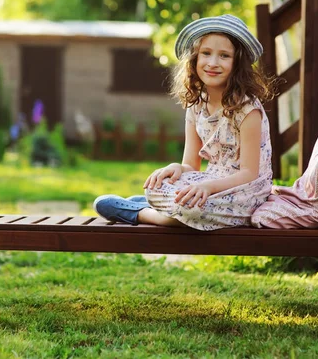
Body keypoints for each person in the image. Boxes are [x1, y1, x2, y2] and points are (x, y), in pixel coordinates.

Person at [93, 14, 276, 230]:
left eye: (224, 56)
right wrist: (175, 168)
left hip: (245, 194)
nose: (213, 63)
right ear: (195, 59)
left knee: (192, 208)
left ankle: (143, 213)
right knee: (156, 186)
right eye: (206, 53)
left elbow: (249, 174)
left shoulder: (247, 109)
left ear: (237, 64)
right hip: (208, 185)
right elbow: (191, 165)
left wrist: (207, 187)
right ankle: (158, 203)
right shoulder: (196, 105)